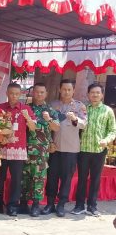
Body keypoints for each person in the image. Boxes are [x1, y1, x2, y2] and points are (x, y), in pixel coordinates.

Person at [43, 79, 87, 217]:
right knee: (52, 177)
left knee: (66, 178)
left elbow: (84, 124)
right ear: (60, 90)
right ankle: (50, 203)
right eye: (64, 89)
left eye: (69, 89)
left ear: (73, 90)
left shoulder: (80, 107)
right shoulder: (53, 105)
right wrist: (49, 142)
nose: (66, 92)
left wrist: (75, 119)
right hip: (55, 148)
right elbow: (47, 127)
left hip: (71, 149)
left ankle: (61, 204)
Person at [0, 83, 36, 217]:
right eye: (11, 93)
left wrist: (27, 117)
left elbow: (33, 128)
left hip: (18, 150)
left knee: (16, 180)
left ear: (21, 94)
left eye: (16, 94)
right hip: (2, 149)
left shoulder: (26, 108)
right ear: (7, 93)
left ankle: (12, 206)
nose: (14, 96)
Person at [71, 83, 116, 216]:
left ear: (102, 95)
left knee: (95, 179)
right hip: (83, 150)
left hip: (99, 151)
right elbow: (77, 124)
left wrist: (106, 140)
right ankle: (79, 206)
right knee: (82, 178)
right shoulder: (84, 109)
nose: (95, 95)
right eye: (92, 92)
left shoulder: (107, 111)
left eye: (98, 92)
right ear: (88, 94)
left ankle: (92, 206)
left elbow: (113, 130)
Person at [19, 83, 60, 217]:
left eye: (42, 92)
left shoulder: (50, 110)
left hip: (41, 151)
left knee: (39, 177)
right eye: (37, 92)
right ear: (33, 93)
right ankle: (23, 204)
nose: (39, 94)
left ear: (46, 94)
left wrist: (48, 119)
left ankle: (36, 205)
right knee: (24, 176)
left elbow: (56, 128)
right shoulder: (26, 108)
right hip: (24, 148)